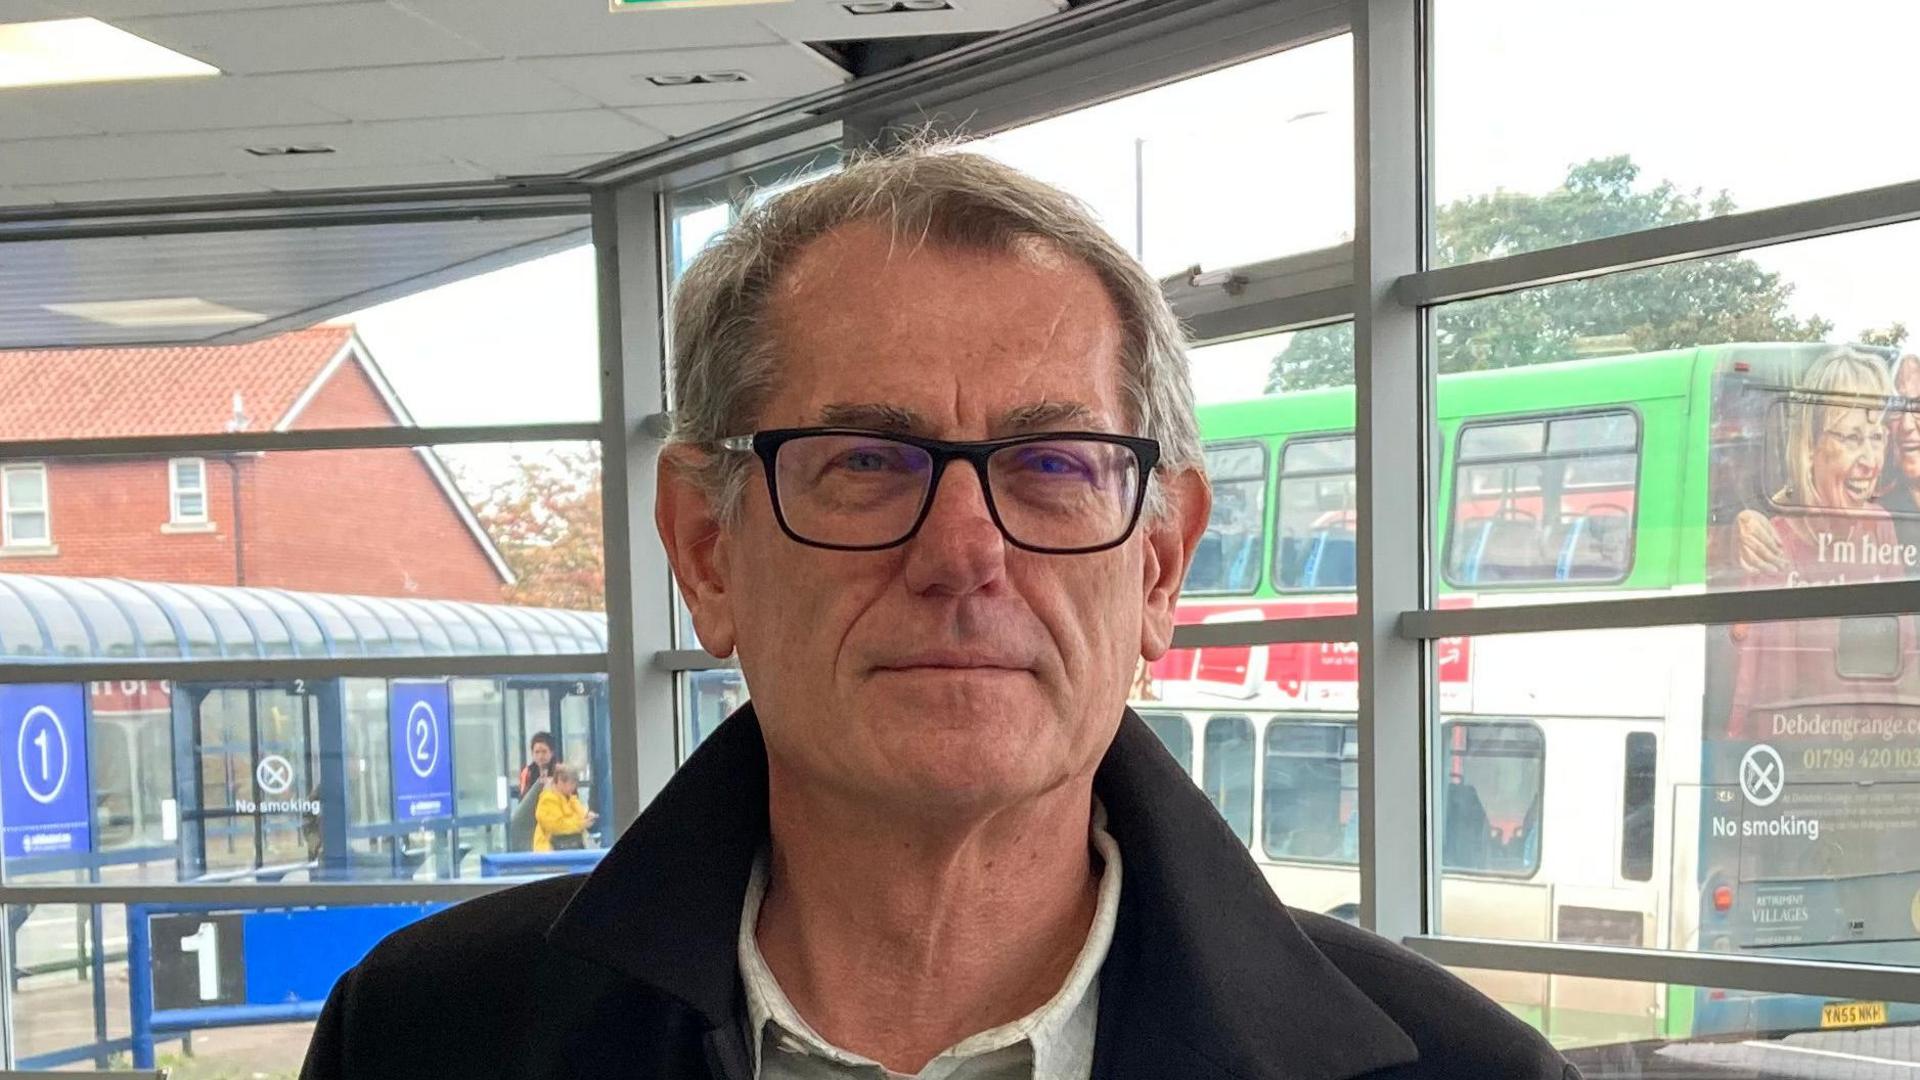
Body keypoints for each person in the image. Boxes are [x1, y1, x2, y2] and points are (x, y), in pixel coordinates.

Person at [302, 147, 1576, 1080]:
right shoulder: (423, 1041)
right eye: (863, 461)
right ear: (706, 550)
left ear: (1159, 566)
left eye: (1057, 464)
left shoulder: (1469, 1075)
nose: (962, 553)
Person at [1732, 347, 1901, 586]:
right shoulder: (1771, 544)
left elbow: (1902, 621)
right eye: (1852, 438)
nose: (1871, 462)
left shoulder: (1880, 524)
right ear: (1810, 445)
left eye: (1876, 438)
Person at [532, 762, 597, 852]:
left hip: (569, 847)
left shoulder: (570, 798)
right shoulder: (547, 800)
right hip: (549, 851)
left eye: (575, 784)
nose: (573, 788)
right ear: (560, 782)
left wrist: (587, 815)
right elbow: (557, 826)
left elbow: (579, 811)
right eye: (571, 784)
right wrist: (581, 824)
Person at [517, 731, 555, 798]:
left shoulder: (560, 772)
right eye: (537, 752)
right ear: (532, 753)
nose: (540, 756)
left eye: (544, 751)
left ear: (552, 752)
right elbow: (523, 799)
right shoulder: (527, 772)